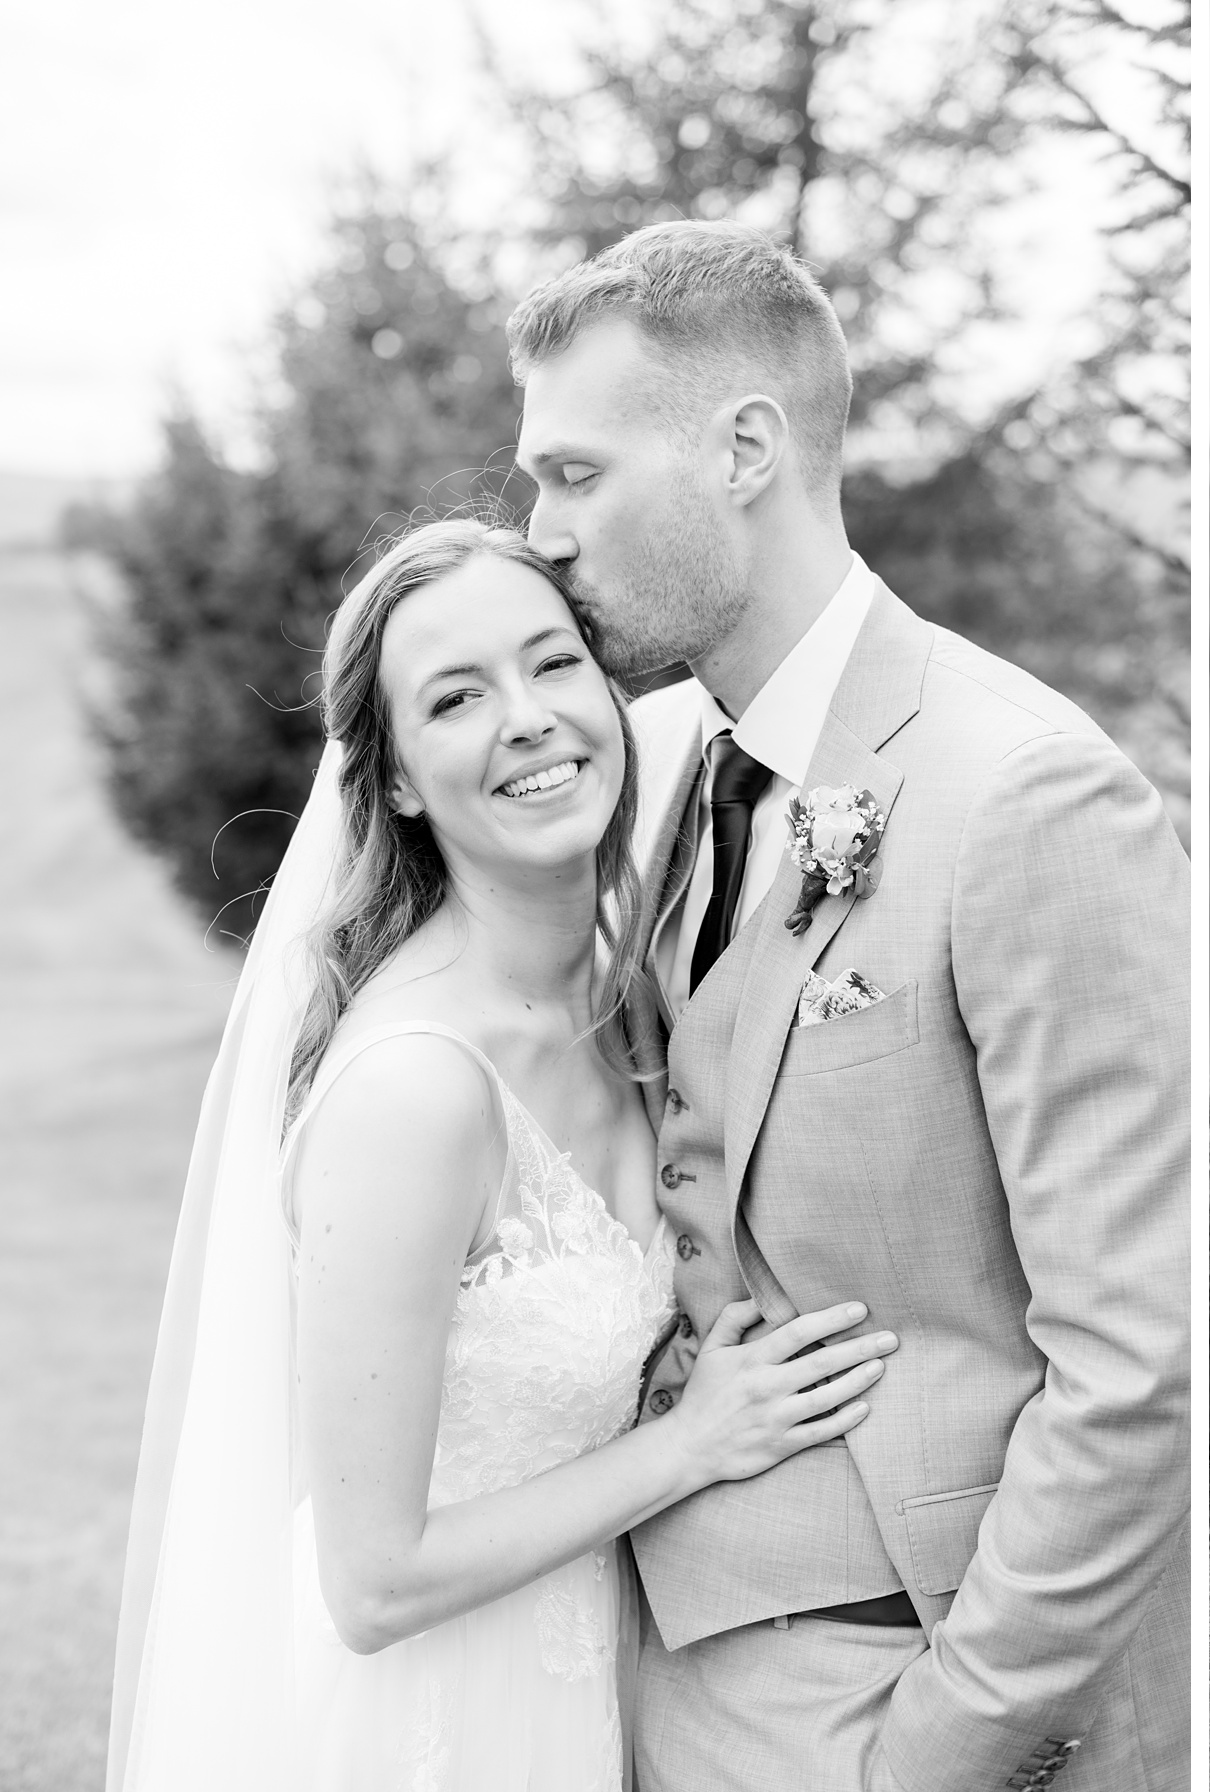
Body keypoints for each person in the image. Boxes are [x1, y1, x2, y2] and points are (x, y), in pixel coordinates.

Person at [506, 219, 1190, 1790]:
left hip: (895, 1685)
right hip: (656, 1649)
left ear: (745, 446)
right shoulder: (678, 765)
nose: (539, 531)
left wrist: (951, 1743)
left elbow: (1134, 1357)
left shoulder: (1024, 794)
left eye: (576, 474)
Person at [108, 520, 897, 1790]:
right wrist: (694, 1443)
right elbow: (371, 1581)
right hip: (431, 1725)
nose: (528, 718)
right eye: (458, 697)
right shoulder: (417, 1094)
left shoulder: (624, 990)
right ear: (403, 778)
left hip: (605, 1688)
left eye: (553, 664)